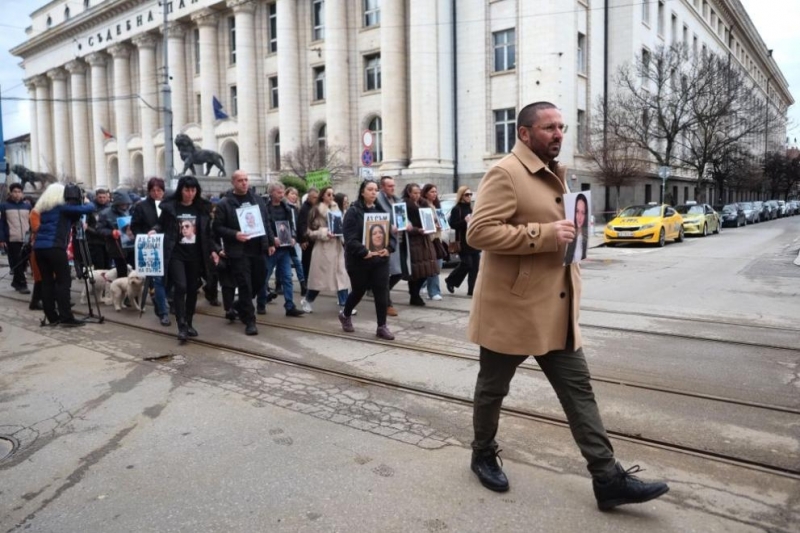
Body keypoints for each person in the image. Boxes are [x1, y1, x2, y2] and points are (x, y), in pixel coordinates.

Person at [465, 101, 668, 509]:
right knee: (492, 390)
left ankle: (607, 478)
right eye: (549, 127)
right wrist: (543, 234)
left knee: (579, 392)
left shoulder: (555, 172)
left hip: (557, 309)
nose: (559, 134)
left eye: (562, 127)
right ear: (524, 133)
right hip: (513, 309)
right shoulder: (505, 172)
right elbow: (479, 232)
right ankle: (482, 453)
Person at [153, 176, 219, 342]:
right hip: (176, 254)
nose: (190, 193)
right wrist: (155, 230)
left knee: (192, 289)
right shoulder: (171, 207)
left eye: (193, 190)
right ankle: (181, 324)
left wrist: (214, 250)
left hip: (196, 255)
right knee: (180, 286)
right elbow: (161, 224)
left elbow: (208, 234)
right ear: (181, 190)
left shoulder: (202, 208)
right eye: (187, 190)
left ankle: (189, 322)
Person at [212, 170, 274, 336]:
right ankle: (250, 320)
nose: (244, 183)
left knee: (260, 279)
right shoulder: (225, 203)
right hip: (239, 252)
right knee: (245, 285)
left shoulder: (257, 200)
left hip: (257, 249)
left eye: (246, 180)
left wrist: (269, 242)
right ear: (233, 182)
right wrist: (235, 234)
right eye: (240, 180)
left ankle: (239, 305)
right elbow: (217, 228)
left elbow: (266, 222)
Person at [30, 183, 95, 327]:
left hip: (39, 248)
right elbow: (89, 209)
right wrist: (86, 201)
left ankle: (52, 317)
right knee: (64, 281)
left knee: (47, 282)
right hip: (55, 247)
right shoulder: (62, 208)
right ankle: (66, 317)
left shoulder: (44, 209)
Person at [339, 180, 397, 341]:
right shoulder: (353, 212)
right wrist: (364, 251)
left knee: (381, 291)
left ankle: (382, 326)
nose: (373, 192)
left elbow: (391, 237)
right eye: (370, 189)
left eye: (376, 190)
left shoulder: (381, 211)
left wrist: (389, 248)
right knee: (359, 290)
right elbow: (350, 239)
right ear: (362, 192)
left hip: (380, 260)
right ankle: (345, 314)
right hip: (359, 260)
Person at [300, 186, 351, 314]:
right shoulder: (315, 210)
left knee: (342, 277)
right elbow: (309, 231)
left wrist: (343, 234)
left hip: (337, 247)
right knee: (319, 280)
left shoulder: (336, 209)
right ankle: (307, 300)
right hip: (323, 249)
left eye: (333, 194)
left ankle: (344, 306)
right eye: (328, 194)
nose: (331, 197)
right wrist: (324, 232)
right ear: (322, 195)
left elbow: (341, 225)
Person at [257, 182, 305, 317]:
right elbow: (264, 227)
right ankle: (261, 303)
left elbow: (291, 225)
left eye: (283, 192)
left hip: (284, 248)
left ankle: (290, 306)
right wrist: (272, 241)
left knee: (287, 277)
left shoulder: (286, 208)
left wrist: (293, 237)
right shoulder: (265, 209)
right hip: (271, 249)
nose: (282, 195)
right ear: (271, 193)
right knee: (264, 278)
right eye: (279, 192)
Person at [131, 177, 170, 326]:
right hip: (151, 246)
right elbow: (135, 226)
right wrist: (144, 237)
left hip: (169, 246)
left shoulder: (169, 205)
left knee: (170, 279)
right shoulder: (141, 206)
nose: (156, 193)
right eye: (153, 190)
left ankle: (166, 302)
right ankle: (163, 311)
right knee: (157, 280)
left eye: (159, 190)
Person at [400, 183, 439, 307]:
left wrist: (433, 225)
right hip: (412, 241)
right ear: (409, 193)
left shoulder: (423, 204)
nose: (417, 195)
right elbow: (403, 225)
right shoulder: (405, 205)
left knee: (428, 269)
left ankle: (415, 294)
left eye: (418, 193)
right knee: (415, 271)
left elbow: (429, 220)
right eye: (414, 193)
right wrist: (417, 230)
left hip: (425, 240)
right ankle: (414, 295)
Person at [445, 186, 479, 296]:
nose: (469, 197)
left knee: (475, 267)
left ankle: (472, 290)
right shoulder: (457, 209)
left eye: (470, 194)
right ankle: (451, 280)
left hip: (473, 240)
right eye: (466, 195)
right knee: (467, 264)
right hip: (462, 242)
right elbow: (452, 225)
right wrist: (464, 221)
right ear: (461, 196)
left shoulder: (471, 208)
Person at [376, 176, 402, 316]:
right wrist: (388, 226)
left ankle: (379, 292)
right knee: (385, 274)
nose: (393, 188)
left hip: (396, 241)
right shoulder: (378, 200)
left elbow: (402, 217)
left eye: (393, 185)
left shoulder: (397, 200)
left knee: (398, 272)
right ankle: (387, 304)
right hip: (382, 241)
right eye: (389, 186)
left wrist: (406, 224)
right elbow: (374, 219)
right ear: (383, 187)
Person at [0, 183, 32, 294]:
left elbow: (31, 222)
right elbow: (1, 224)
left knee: (23, 262)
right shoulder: (4, 206)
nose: (17, 194)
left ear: (22, 193)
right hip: (12, 239)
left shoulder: (27, 206)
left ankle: (16, 282)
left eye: (19, 192)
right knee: (17, 261)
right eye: (15, 192)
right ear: (11, 193)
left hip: (26, 239)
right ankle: (22, 284)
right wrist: (2, 239)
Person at [97, 190, 133, 278]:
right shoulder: (105, 213)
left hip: (131, 246)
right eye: (122, 204)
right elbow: (99, 229)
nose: (124, 206)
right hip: (116, 247)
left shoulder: (132, 211)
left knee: (133, 272)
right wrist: (111, 232)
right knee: (122, 272)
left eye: (126, 204)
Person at [419, 183, 444, 301]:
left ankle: (423, 286)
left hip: (437, 238)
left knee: (437, 264)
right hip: (429, 239)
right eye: (432, 192)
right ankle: (433, 291)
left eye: (435, 191)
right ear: (426, 193)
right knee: (434, 265)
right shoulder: (424, 206)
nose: (434, 194)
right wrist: (434, 225)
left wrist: (441, 224)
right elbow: (425, 223)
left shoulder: (436, 205)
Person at [284, 186, 308, 296]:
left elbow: (299, 224)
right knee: (283, 262)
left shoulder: (297, 209)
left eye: (296, 194)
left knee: (297, 261)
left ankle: (303, 284)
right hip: (285, 238)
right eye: (292, 194)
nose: (294, 196)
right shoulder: (284, 207)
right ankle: (278, 284)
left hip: (295, 238)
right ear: (287, 195)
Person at [297, 188, 319, 296]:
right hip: (307, 240)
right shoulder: (305, 208)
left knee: (311, 263)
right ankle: (305, 285)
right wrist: (303, 239)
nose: (316, 199)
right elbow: (302, 224)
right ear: (309, 197)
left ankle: (310, 284)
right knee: (306, 263)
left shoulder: (314, 207)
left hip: (314, 239)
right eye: (314, 197)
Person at [84, 188, 112, 269]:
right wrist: (89, 229)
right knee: (99, 265)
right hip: (95, 241)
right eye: (100, 197)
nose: (102, 199)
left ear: (107, 197)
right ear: (96, 197)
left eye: (104, 197)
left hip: (108, 240)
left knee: (108, 265)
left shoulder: (110, 207)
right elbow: (86, 224)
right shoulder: (91, 208)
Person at [565, 193, 589, 265]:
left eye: (583, 212)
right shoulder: (568, 234)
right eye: (577, 211)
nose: (579, 217)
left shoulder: (585, 237)